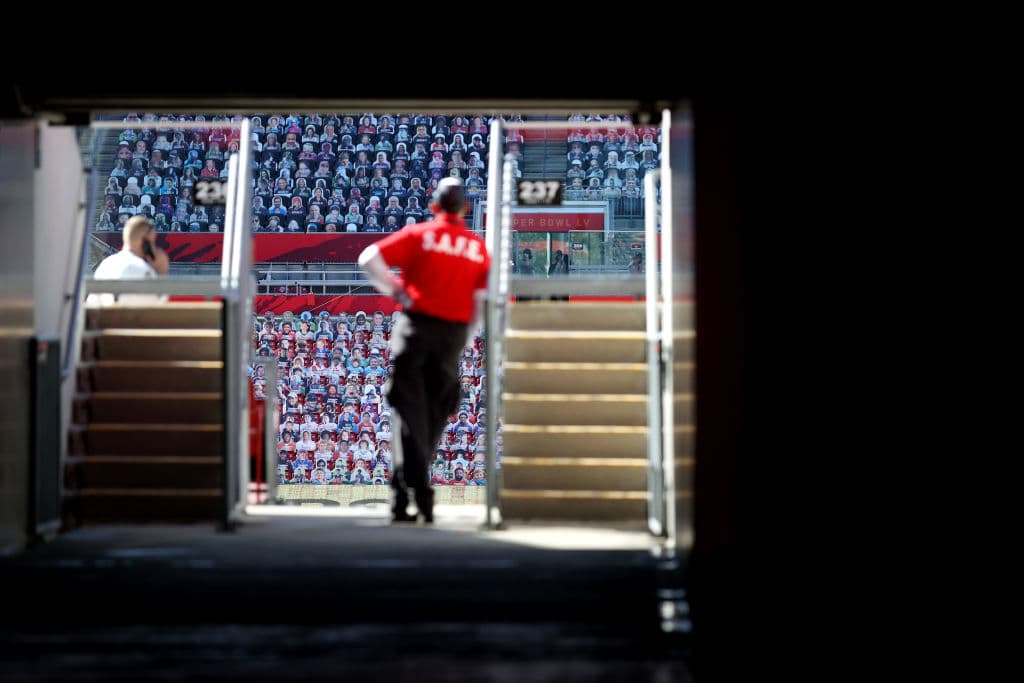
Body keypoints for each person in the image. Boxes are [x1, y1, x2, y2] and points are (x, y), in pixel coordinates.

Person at [358, 177, 490, 524]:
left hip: (415, 328)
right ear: (467, 209)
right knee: (435, 413)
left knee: (408, 413)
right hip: (452, 336)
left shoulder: (421, 234)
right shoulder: (477, 248)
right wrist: (466, 333)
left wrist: (400, 292)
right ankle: (412, 493)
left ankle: (409, 492)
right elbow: (481, 300)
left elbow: (369, 257)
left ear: (434, 206)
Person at [90, 216, 169, 304]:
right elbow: (157, 305)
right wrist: (161, 272)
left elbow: (92, 302)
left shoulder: (106, 264)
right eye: (152, 242)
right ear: (145, 242)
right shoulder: (142, 269)